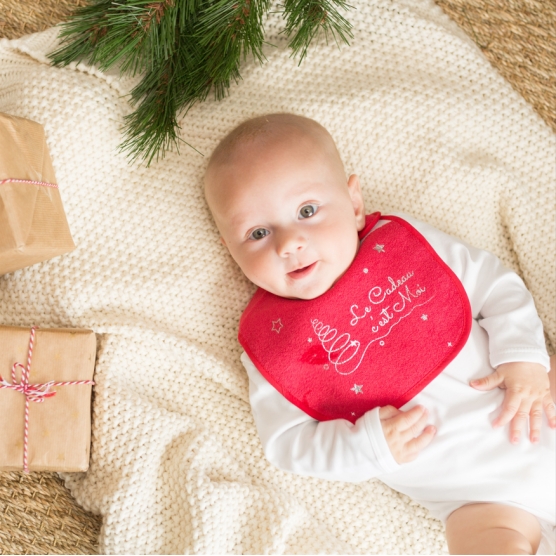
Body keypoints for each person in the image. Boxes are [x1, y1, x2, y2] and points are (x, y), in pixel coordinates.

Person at [204, 113, 556, 554]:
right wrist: (367, 446)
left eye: (307, 211)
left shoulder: (400, 248)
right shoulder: (273, 346)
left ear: (354, 204)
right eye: (257, 233)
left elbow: (492, 285)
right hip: (480, 500)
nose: (288, 243)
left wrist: (524, 359)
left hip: (536, 397)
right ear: (230, 250)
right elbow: (287, 444)